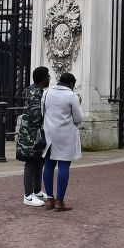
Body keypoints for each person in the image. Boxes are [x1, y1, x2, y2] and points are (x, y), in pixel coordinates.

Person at [41, 71, 83, 212]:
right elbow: (79, 118)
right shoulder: (72, 96)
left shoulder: (46, 93)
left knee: (48, 165)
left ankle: (50, 199)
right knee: (64, 166)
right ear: (71, 84)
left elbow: (43, 112)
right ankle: (59, 201)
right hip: (65, 135)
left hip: (49, 133)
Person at [15, 66, 49, 207]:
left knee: (38, 161)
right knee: (30, 163)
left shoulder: (32, 90)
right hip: (32, 134)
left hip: (29, 133)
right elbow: (36, 116)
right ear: (43, 79)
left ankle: (36, 191)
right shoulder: (37, 94)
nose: (49, 78)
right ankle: (28, 195)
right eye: (47, 76)